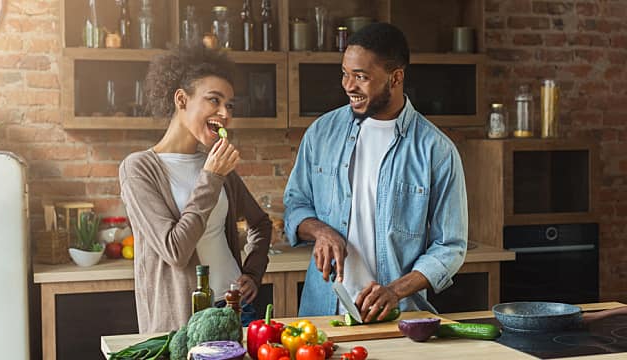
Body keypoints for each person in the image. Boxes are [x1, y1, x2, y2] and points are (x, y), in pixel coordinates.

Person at [283, 23, 468, 322]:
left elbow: (450, 246)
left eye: (361, 77)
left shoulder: (437, 151)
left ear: (396, 78)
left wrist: (395, 291)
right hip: (322, 315)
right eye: (345, 73)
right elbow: (295, 205)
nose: (348, 85)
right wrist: (321, 231)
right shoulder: (321, 133)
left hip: (399, 318)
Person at [119, 45, 271, 333]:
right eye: (214, 100)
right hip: (184, 322)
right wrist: (210, 177)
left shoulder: (217, 166)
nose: (224, 113)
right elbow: (175, 250)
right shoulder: (138, 168)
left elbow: (261, 224)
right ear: (181, 99)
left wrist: (252, 272)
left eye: (230, 105)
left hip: (238, 309)